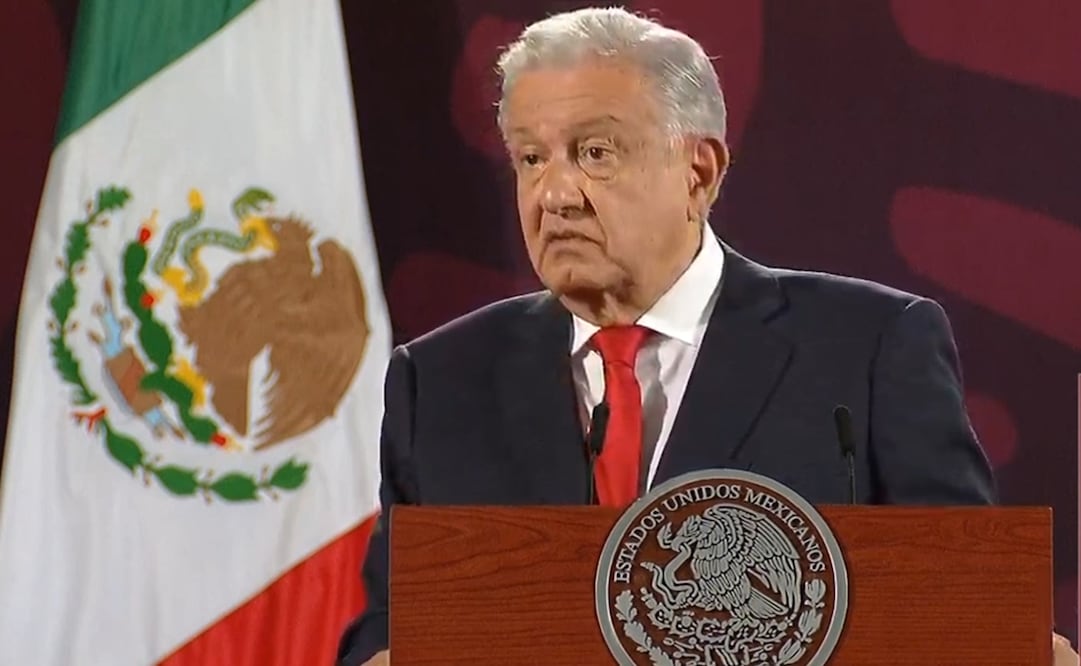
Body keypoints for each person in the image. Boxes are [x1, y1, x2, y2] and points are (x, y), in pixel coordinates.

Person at [338, 7, 1077, 665]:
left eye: (594, 153)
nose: (554, 195)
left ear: (698, 171)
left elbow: (962, 607)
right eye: (532, 158)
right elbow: (383, 633)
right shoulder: (439, 380)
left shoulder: (868, 347)